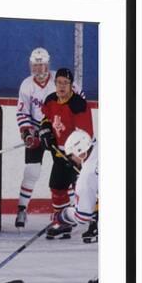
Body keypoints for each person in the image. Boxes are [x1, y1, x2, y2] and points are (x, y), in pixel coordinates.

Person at [15, 48, 79, 228]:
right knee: (31, 171)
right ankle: (21, 210)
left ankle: (72, 210)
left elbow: (78, 100)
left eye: (41, 65)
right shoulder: (26, 85)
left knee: (68, 171)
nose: (38, 70)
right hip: (37, 132)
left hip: (58, 134)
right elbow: (22, 112)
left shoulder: (58, 80)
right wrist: (27, 133)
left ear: (48, 64)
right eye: (35, 66)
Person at [39, 68, 94, 240]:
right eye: (59, 82)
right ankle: (64, 223)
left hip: (79, 155)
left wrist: (75, 157)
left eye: (65, 83)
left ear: (71, 86)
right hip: (59, 153)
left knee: (86, 189)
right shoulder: (50, 100)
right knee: (57, 186)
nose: (62, 86)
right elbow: (46, 118)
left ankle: (95, 224)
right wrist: (45, 129)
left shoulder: (78, 104)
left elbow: (85, 135)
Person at [54, 129, 99, 283]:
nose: (72, 160)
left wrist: (64, 215)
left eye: (72, 155)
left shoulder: (86, 177)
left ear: (81, 153)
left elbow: (82, 217)